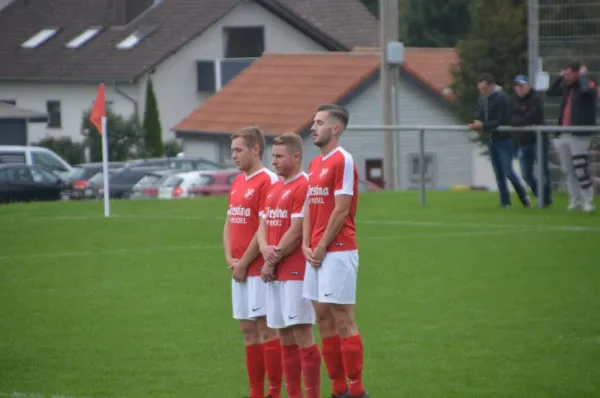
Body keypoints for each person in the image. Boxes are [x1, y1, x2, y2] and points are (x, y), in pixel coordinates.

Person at [303, 104, 369, 398]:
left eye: (319, 122)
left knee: (343, 318)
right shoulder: (316, 164)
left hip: (338, 250)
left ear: (335, 129)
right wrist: (306, 244)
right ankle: (338, 388)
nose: (313, 127)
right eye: (314, 122)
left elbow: (341, 210)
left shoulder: (343, 160)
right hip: (315, 252)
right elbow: (309, 208)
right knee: (322, 318)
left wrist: (320, 246)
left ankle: (357, 390)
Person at [257, 133, 321, 398]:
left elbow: (296, 231)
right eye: (273, 156)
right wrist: (263, 248)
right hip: (275, 272)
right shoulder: (275, 187)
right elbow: (262, 223)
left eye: (280, 156)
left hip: (295, 272)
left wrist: (271, 260)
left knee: (302, 334)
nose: (274, 161)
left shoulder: (303, 186)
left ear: (297, 156)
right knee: (284, 336)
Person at [223, 126, 281, 398]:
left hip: (257, 270)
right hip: (239, 269)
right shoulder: (238, 182)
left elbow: (264, 227)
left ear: (255, 149)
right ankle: (255, 391)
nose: (233, 155)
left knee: (267, 330)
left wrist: (244, 263)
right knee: (248, 330)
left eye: (238, 150)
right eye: (232, 150)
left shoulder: (267, 180)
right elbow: (229, 221)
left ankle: (274, 390)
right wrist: (230, 259)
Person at [469, 73, 531, 208]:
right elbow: (480, 114)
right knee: (498, 172)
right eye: (480, 89)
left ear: (491, 86)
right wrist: (478, 121)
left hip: (504, 140)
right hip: (491, 139)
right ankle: (505, 202)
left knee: (508, 170)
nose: (482, 91)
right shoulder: (482, 98)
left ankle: (523, 195)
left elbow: (501, 120)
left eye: (484, 88)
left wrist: (483, 125)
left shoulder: (501, 98)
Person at [547, 62, 598, 212]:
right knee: (568, 169)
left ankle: (588, 200)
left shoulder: (586, 84)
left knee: (580, 168)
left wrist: (583, 76)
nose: (567, 76)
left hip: (579, 134)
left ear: (578, 73)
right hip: (564, 133)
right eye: (566, 73)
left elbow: (588, 90)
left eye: (570, 73)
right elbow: (550, 92)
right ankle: (574, 200)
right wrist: (559, 77)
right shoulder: (565, 87)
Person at [510, 74, 552, 207]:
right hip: (523, 142)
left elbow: (532, 117)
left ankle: (545, 200)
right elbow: (512, 119)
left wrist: (521, 119)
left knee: (543, 170)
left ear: (528, 86)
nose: (519, 89)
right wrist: (522, 119)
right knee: (525, 174)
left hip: (538, 140)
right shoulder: (513, 101)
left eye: (522, 86)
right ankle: (539, 194)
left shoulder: (536, 100)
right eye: (517, 86)